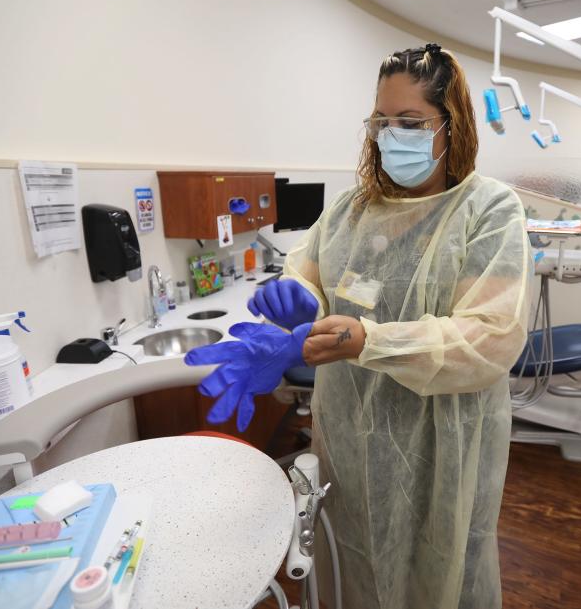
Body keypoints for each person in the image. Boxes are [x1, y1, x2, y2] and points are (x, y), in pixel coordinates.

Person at [189, 43, 531, 609]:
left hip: (442, 444)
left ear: (454, 125)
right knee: (352, 559)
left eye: (411, 122)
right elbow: (310, 270)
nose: (393, 134)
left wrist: (369, 340)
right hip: (348, 440)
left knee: (438, 570)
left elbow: (489, 340)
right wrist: (292, 301)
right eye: (382, 121)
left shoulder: (489, 210)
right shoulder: (352, 208)